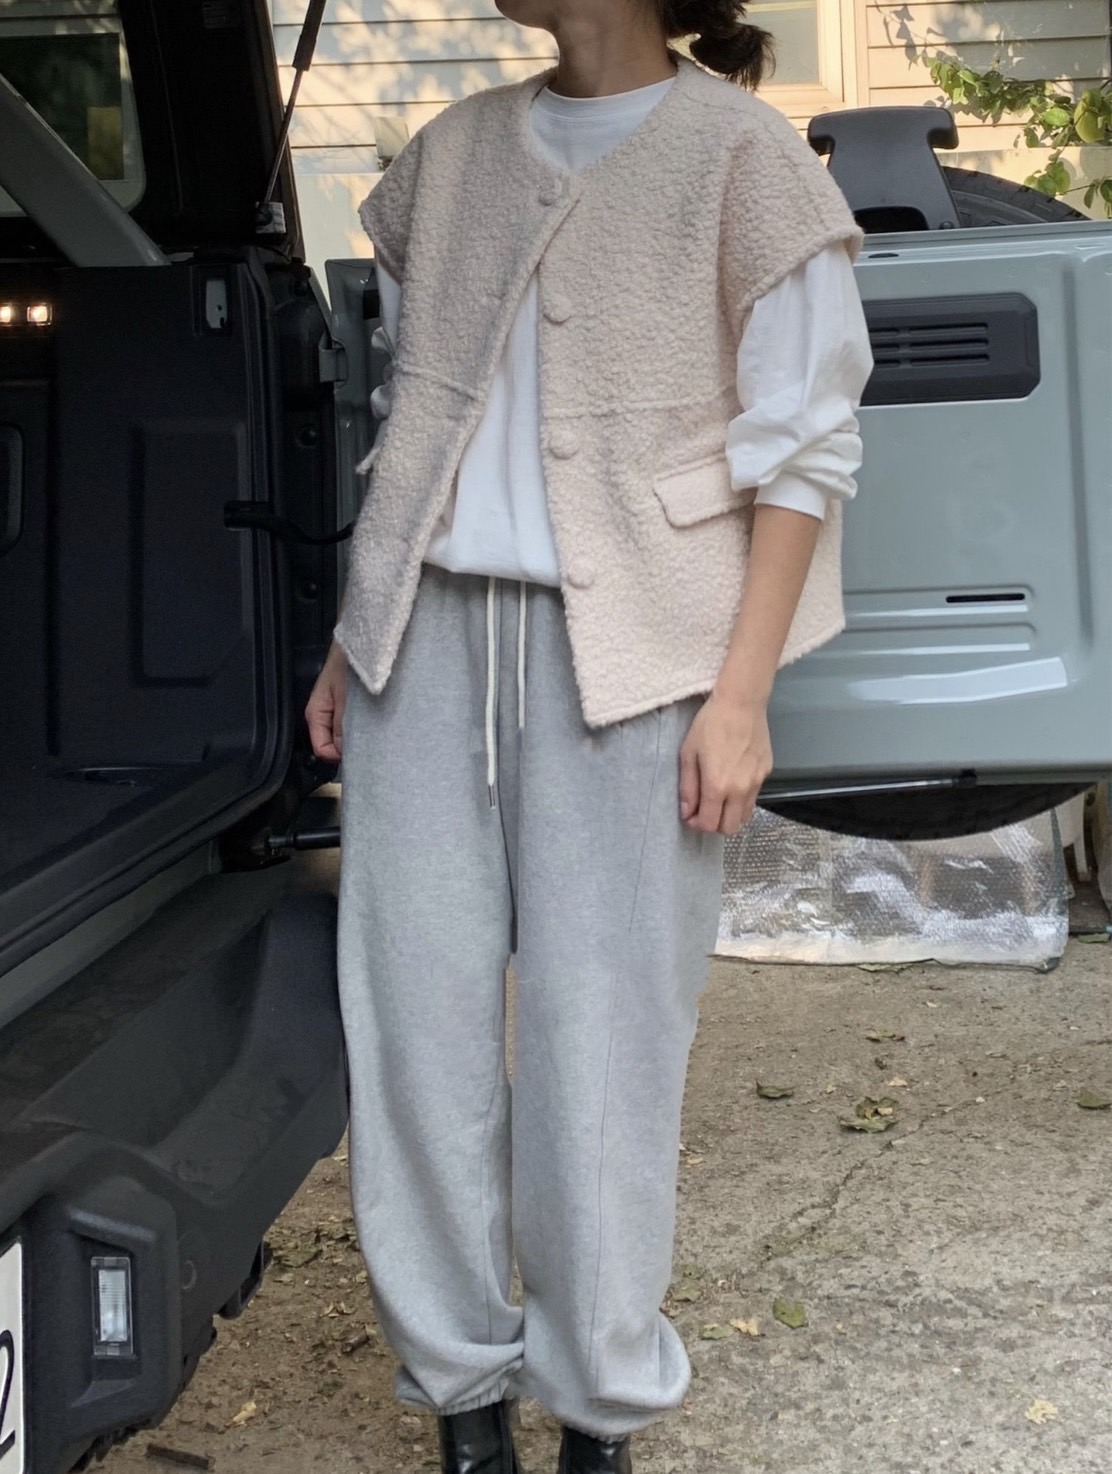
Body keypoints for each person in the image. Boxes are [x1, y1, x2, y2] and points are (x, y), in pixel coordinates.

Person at [305, 2, 872, 1470]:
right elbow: (415, 415)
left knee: (605, 1035)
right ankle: (460, 1389)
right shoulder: (452, 154)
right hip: (423, 640)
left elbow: (807, 448)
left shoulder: (744, 160)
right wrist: (355, 631)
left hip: (636, 653)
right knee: (412, 1026)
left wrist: (740, 694)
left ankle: (599, 1403)